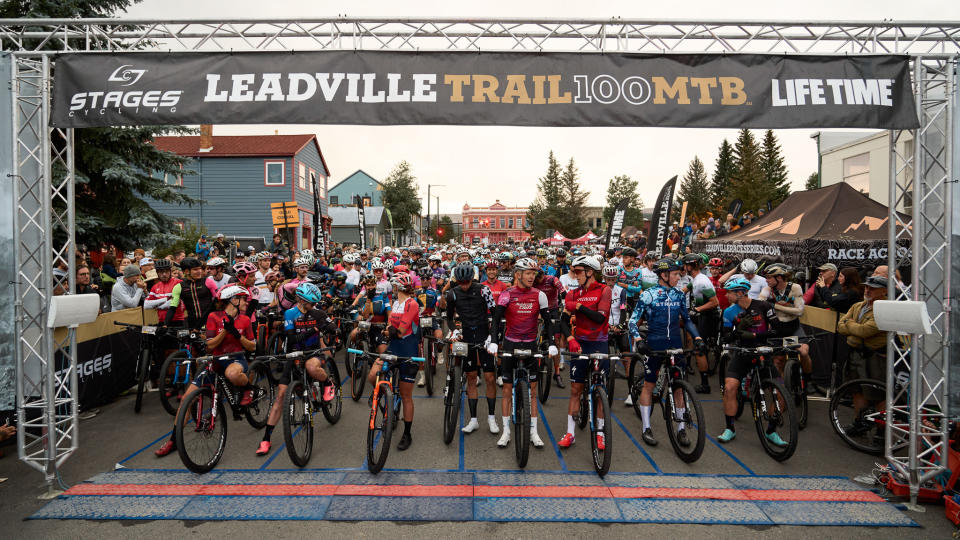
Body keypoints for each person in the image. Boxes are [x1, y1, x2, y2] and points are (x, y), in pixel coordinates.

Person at [154, 284, 255, 457]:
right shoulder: (214, 317)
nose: (247, 302)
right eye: (243, 299)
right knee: (187, 398)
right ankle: (172, 440)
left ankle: (247, 389)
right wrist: (225, 331)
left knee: (232, 374)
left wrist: (238, 335)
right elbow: (209, 347)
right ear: (233, 300)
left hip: (236, 358)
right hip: (215, 360)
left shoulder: (245, 320)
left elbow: (252, 347)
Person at [628, 258, 704, 445]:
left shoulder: (679, 295)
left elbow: (686, 321)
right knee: (649, 385)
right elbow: (632, 321)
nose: (679, 277)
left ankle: (681, 429)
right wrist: (638, 341)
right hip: (655, 345)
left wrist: (698, 338)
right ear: (664, 275)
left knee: (678, 387)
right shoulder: (649, 295)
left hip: (676, 345)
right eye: (676, 274)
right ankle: (646, 427)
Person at [258, 282, 336, 455]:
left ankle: (328, 382)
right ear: (301, 300)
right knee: (280, 397)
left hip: (314, 353)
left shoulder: (318, 312)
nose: (313, 306)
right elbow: (292, 339)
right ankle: (266, 438)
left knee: (311, 366)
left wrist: (330, 329)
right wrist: (315, 329)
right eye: (310, 303)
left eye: (315, 303)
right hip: (294, 354)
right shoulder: (290, 313)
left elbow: (332, 327)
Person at [488, 258, 552, 449]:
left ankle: (533, 431)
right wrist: (493, 342)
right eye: (528, 273)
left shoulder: (539, 295)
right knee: (507, 390)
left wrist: (553, 343)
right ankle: (506, 431)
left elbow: (549, 322)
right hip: (510, 344)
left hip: (531, 344)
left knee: (533, 391)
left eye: (534, 273)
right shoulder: (507, 294)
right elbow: (497, 320)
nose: (532, 277)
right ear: (518, 274)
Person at [716, 277, 781, 445]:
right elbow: (725, 337)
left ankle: (771, 430)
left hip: (762, 352)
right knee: (730, 387)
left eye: (729, 292)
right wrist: (739, 330)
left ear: (740, 293)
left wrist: (754, 335)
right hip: (742, 353)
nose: (726, 295)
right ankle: (730, 428)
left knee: (780, 393)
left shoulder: (764, 306)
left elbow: (777, 330)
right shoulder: (729, 312)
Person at [556, 256, 612, 449]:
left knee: (600, 391)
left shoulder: (604, 290)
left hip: (599, 343)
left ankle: (600, 434)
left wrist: (579, 306)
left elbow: (599, 318)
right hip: (580, 344)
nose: (575, 275)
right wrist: (570, 339)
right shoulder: (572, 293)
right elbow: (562, 321)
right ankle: (570, 433)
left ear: (590, 272)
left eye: (579, 271)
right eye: (574, 271)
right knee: (575, 390)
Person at [368, 272, 420, 451]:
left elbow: (400, 331)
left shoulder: (411, 304)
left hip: (408, 351)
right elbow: (390, 326)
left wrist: (388, 331)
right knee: (373, 375)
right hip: (394, 347)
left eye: (394, 286)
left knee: (406, 395)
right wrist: (388, 330)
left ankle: (407, 433)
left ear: (397, 287)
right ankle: (387, 403)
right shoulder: (395, 303)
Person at [446, 263, 500, 434]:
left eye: (467, 282)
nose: (465, 285)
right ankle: (474, 419)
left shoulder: (484, 290)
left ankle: (491, 418)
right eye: (461, 282)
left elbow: (496, 314)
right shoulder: (452, 294)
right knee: (471, 377)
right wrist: (454, 329)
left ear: (473, 279)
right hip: (467, 335)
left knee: (490, 377)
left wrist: (492, 336)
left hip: (484, 334)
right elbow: (448, 318)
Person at [680, 253, 720, 395]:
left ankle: (705, 385)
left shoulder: (702, 281)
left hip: (709, 315)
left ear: (690, 266)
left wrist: (697, 309)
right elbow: (685, 289)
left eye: (685, 265)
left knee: (699, 349)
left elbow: (714, 302)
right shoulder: (696, 279)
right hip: (702, 314)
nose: (683, 267)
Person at [165, 257, 216, 330]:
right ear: (186, 271)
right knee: (193, 341)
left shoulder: (208, 282)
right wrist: (165, 325)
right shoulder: (179, 287)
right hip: (192, 324)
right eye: (195, 269)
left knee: (209, 341)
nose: (199, 271)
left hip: (210, 321)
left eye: (200, 268)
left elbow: (216, 302)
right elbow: (172, 308)